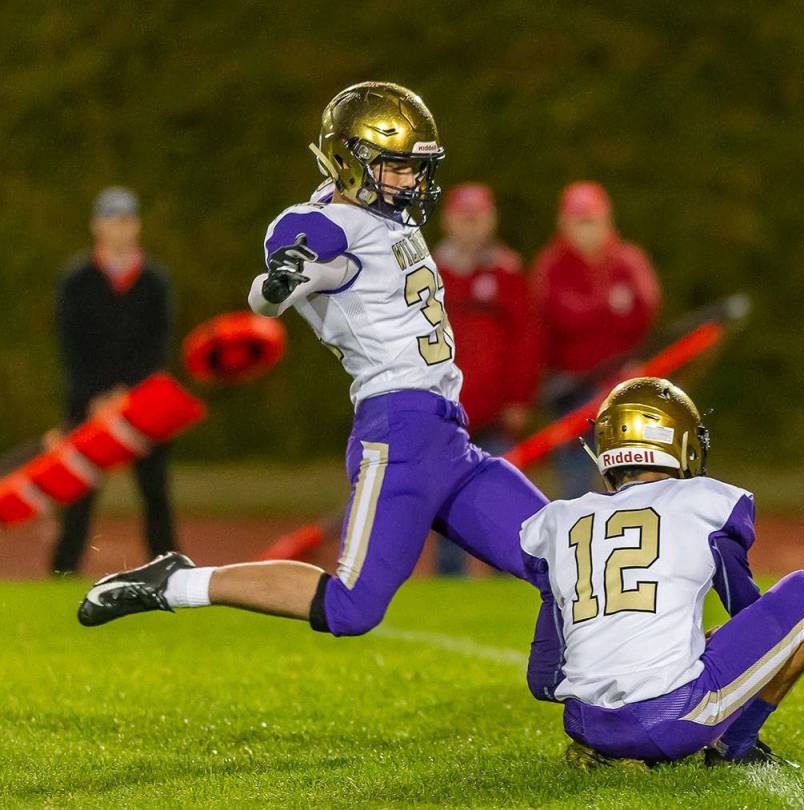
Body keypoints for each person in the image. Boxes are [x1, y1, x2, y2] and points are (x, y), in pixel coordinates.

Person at [76, 82, 549, 635]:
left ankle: (566, 684)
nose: (410, 179)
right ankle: (175, 584)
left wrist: (286, 285)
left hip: (448, 436)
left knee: (558, 557)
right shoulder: (329, 222)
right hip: (398, 432)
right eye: (394, 166)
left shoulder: (388, 219)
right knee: (352, 607)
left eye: (415, 166)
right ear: (351, 161)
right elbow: (295, 261)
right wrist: (282, 281)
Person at [519, 377, 804, 767]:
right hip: (672, 720)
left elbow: (544, 679)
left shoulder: (558, 519)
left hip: (585, 722)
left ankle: (612, 749)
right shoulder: (705, 502)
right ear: (680, 442)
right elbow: (748, 612)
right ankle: (734, 747)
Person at [53, 187, 176, 574]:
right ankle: (62, 571)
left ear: (135, 226)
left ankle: (169, 568)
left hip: (142, 403)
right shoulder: (77, 280)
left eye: (125, 220)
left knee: (155, 490)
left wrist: (130, 391)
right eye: (111, 220)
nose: (119, 229)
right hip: (89, 403)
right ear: (96, 226)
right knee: (78, 490)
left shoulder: (154, 281)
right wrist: (96, 394)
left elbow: (158, 341)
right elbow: (71, 342)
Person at [433, 182, 540, 574]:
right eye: (464, 218)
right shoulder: (428, 271)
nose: (470, 226)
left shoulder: (507, 273)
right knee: (444, 498)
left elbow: (526, 341)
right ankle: (449, 578)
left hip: (495, 412)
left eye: (477, 218)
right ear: (448, 220)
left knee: (501, 499)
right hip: (445, 410)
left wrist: (519, 398)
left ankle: (507, 571)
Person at [532, 182, 661, 498]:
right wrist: (608, 309)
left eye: (591, 220)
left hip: (622, 386)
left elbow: (645, 312)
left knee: (632, 477)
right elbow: (552, 320)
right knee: (576, 483)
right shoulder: (551, 266)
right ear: (564, 224)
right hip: (571, 390)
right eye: (579, 221)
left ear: (607, 221)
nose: (585, 230)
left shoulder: (628, 260)